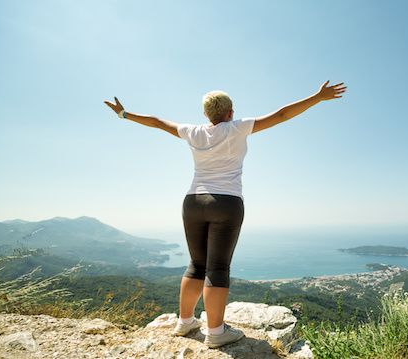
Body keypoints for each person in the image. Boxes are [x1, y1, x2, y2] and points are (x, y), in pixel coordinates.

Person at [104, 80, 346, 348]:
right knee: (217, 267)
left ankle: (185, 322)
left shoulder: (192, 131)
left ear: (207, 114)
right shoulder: (237, 128)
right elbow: (281, 115)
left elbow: (158, 122)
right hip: (226, 202)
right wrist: (317, 97)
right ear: (230, 112)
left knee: (196, 264)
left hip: (193, 201)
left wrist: (124, 114)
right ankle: (216, 333)